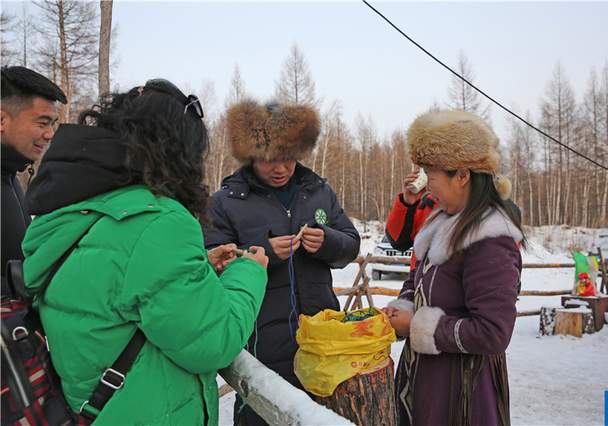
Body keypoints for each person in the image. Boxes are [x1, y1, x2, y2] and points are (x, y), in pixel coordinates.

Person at [21, 79, 268, 425]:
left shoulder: (74, 210)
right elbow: (214, 340)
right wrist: (250, 271)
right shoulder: (156, 222)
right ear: (176, 151)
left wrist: (198, 268)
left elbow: (118, 289)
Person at [204, 99, 360, 426]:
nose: (281, 168)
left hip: (322, 343)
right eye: (269, 160)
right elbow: (212, 265)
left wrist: (328, 241)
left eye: (289, 158)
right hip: (261, 345)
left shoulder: (318, 191)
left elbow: (351, 244)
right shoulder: (226, 202)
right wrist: (263, 252)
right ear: (250, 156)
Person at [382, 110, 525, 426]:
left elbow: (492, 332)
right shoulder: (443, 222)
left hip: (463, 391)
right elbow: (418, 280)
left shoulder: (491, 237)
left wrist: (417, 326)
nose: (428, 187)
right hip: (427, 380)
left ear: (462, 175)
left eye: (432, 176)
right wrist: (400, 309)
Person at [1, 66, 67, 293]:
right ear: (2, 120)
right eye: (42, 123)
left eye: (52, 124)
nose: (50, 134)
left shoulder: (9, 173)